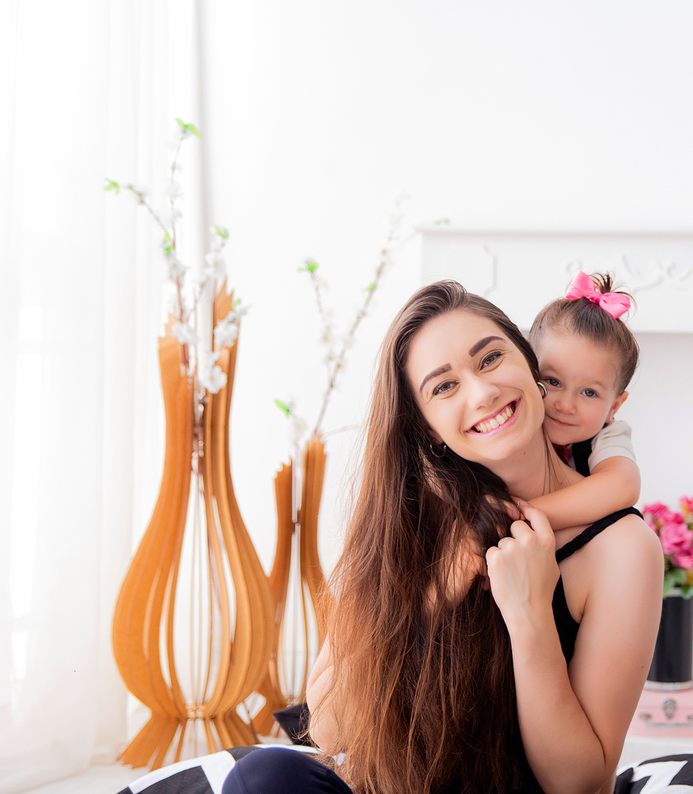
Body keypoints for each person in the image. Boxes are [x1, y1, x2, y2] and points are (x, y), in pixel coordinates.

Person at [222, 281, 663, 794]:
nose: (482, 393)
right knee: (265, 776)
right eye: (443, 387)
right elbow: (328, 726)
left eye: (491, 358)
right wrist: (430, 597)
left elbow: (579, 785)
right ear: (427, 426)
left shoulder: (621, 548)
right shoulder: (406, 522)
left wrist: (529, 617)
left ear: (527, 363)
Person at [526, 271, 642, 530]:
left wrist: (521, 515)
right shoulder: (513, 415)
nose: (565, 405)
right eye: (553, 381)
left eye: (589, 392)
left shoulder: (608, 435)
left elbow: (622, 485)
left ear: (614, 406)